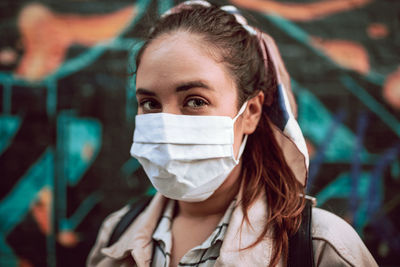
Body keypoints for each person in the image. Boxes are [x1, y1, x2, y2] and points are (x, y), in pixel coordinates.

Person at [87, 1, 378, 266]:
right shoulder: (116, 235)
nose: (165, 123)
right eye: (150, 103)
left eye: (195, 101)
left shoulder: (320, 247)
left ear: (250, 112)